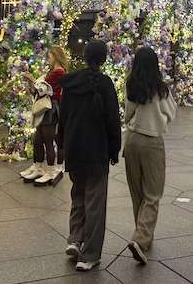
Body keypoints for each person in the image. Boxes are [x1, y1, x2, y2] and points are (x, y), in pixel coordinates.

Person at [58, 40, 121, 272]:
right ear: (103, 59)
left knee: (78, 195)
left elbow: (63, 118)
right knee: (95, 202)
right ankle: (90, 254)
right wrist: (114, 151)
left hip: (75, 150)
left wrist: (63, 144)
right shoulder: (104, 84)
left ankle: (74, 239)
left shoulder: (71, 84)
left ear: (84, 57)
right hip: (96, 151)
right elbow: (113, 121)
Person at [123, 47, 176, 265]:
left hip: (133, 141)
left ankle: (143, 237)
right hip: (153, 142)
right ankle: (140, 238)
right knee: (153, 194)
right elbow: (171, 112)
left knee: (137, 192)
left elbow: (127, 114)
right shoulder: (161, 88)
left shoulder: (131, 85)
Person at [20, 46, 68, 186]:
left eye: (49, 56)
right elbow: (39, 91)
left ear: (56, 56)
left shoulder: (59, 72)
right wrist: (32, 83)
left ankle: (51, 170)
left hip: (50, 109)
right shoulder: (52, 71)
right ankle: (39, 166)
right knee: (38, 139)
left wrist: (32, 79)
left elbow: (45, 89)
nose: (48, 59)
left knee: (47, 140)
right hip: (47, 108)